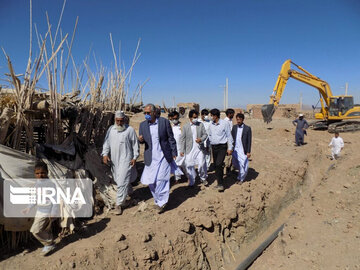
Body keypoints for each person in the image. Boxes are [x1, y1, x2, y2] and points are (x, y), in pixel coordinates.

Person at [139, 104, 178, 213]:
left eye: (148, 113)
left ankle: (161, 202)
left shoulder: (164, 122)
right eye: (145, 113)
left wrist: (174, 151)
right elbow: (142, 141)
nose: (146, 115)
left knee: (162, 179)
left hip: (163, 156)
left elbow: (171, 138)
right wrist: (140, 140)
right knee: (151, 181)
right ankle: (157, 199)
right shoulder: (142, 125)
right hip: (150, 157)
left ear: (154, 113)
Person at [102, 111, 139, 215]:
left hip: (126, 159)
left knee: (122, 181)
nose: (119, 123)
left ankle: (119, 205)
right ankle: (129, 193)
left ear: (124, 120)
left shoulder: (130, 130)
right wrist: (105, 154)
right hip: (114, 160)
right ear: (115, 120)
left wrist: (135, 157)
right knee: (118, 180)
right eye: (117, 121)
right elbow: (106, 143)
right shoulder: (111, 130)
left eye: (121, 121)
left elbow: (135, 145)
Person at [22, 161, 58, 255]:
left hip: (47, 211)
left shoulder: (51, 185)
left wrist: (53, 211)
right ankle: (49, 243)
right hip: (39, 211)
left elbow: (55, 200)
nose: (40, 175)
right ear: (34, 174)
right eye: (37, 173)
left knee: (35, 231)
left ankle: (49, 243)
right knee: (43, 229)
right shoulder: (37, 184)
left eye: (42, 173)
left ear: (47, 172)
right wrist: (29, 208)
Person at [180, 110, 208, 187]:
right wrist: (182, 150)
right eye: (194, 117)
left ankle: (203, 178)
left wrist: (201, 139)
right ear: (190, 118)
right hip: (189, 149)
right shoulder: (186, 127)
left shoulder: (200, 125)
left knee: (202, 164)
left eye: (196, 117)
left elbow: (205, 134)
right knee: (189, 165)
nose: (195, 119)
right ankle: (192, 180)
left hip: (199, 149)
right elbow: (182, 139)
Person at [208, 108, 234, 192]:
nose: (210, 117)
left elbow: (229, 136)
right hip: (213, 147)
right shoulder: (211, 124)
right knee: (216, 165)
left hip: (222, 147)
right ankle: (219, 182)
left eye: (211, 115)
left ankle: (221, 184)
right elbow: (209, 135)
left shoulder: (224, 124)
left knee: (219, 164)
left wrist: (230, 148)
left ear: (215, 116)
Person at [231, 113, 252, 184]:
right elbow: (231, 138)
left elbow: (249, 141)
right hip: (235, 149)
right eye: (237, 119)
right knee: (235, 163)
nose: (238, 121)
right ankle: (240, 174)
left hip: (243, 150)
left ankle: (241, 178)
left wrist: (248, 151)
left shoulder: (247, 128)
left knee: (243, 164)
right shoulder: (234, 127)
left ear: (243, 119)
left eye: (240, 119)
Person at [170, 111, 186, 183]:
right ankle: (177, 178)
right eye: (173, 118)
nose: (174, 120)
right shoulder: (170, 126)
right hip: (173, 148)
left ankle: (189, 177)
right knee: (175, 163)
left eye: (176, 118)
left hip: (181, 147)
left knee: (184, 163)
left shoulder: (182, 126)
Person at [224, 108, 235, 175]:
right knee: (228, 155)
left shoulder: (230, 120)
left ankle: (229, 169)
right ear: (229, 114)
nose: (233, 115)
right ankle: (227, 169)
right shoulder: (225, 121)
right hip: (227, 140)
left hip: (231, 140)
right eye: (232, 114)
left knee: (231, 155)